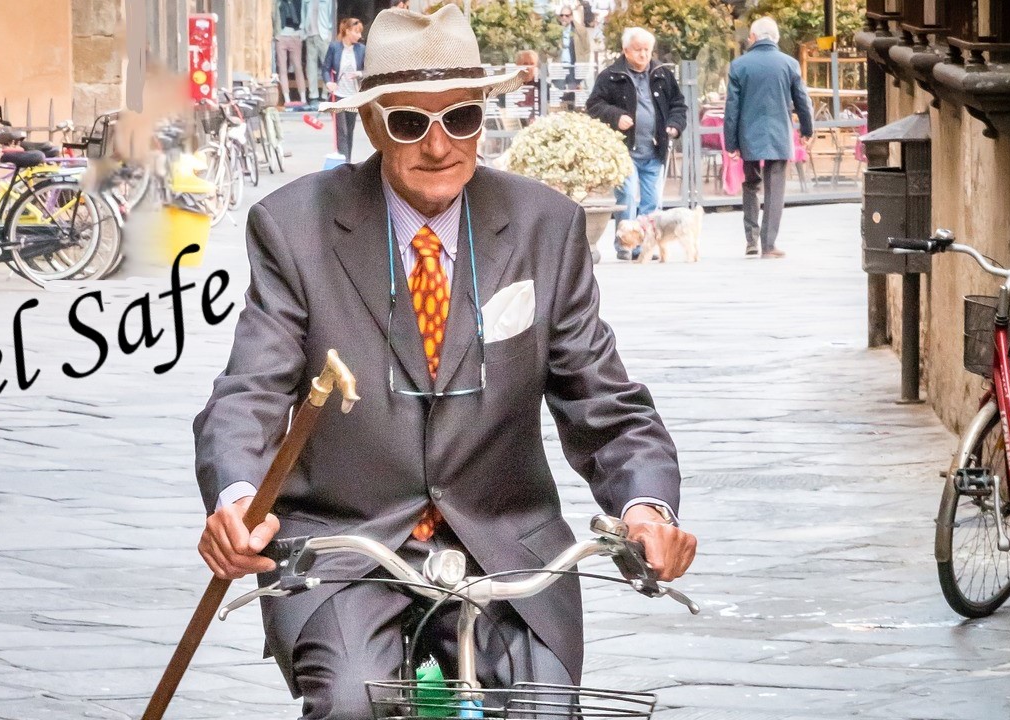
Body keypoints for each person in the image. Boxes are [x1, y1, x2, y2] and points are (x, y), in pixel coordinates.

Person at [194, 7, 696, 719]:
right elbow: (251, 388)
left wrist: (646, 508)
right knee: (347, 704)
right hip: (345, 547)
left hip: (506, 543)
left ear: (482, 118)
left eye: (459, 119)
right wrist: (237, 499)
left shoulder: (543, 226)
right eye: (409, 123)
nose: (438, 145)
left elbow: (603, 399)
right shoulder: (293, 226)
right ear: (372, 125)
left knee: (545, 711)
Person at [585, 27, 687, 261]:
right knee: (628, 196)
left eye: (647, 50)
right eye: (638, 50)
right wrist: (615, 116)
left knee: (652, 201)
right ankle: (625, 245)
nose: (643, 54)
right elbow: (594, 105)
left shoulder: (662, 73)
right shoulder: (611, 75)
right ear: (625, 50)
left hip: (655, 148)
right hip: (625, 150)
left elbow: (678, 105)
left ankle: (646, 245)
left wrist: (674, 125)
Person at [723, 16, 814, 259]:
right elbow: (802, 102)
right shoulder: (790, 64)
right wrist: (807, 130)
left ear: (753, 38)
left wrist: (731, 143)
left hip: (747, 135)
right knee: (775, 190)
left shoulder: (739, 66)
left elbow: (731, 109)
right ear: (776, 38)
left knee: (751, 184)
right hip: (778, 134)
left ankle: (751, 240)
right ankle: (769, 244)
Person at [320, 18, 366, 163]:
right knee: (342, 132)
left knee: (350, 131)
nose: (359, 36)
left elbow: (368, 70)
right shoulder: (334, 47)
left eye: (360, 33)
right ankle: (344, 165)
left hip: (353, 96)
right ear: (347, 31)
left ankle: (347, 162)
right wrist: (329, 82)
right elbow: (326, 68)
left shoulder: (361, 49)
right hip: (338, 95)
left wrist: (359, 74)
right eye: (356, 32)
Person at [302, 0, 337, 110]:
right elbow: (303, 14)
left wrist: (331, 34)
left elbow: (332, 16)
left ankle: (325, 94)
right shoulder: (306, 1)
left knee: (326, 65)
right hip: (310, 35)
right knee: (311, 66)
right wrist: (303, 30)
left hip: (324, 35)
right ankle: (313, 96)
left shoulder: (328, 1)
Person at [555, 4, 592, 94]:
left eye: (567, 15)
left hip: (573, 66)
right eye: (562, 15)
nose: (564, 18)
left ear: (571, 16)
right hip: (559, 66)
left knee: (573, 93)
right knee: (558, 93)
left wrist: (584, 66)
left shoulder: (580, 31)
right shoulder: (555, 30)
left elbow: (586, 50)